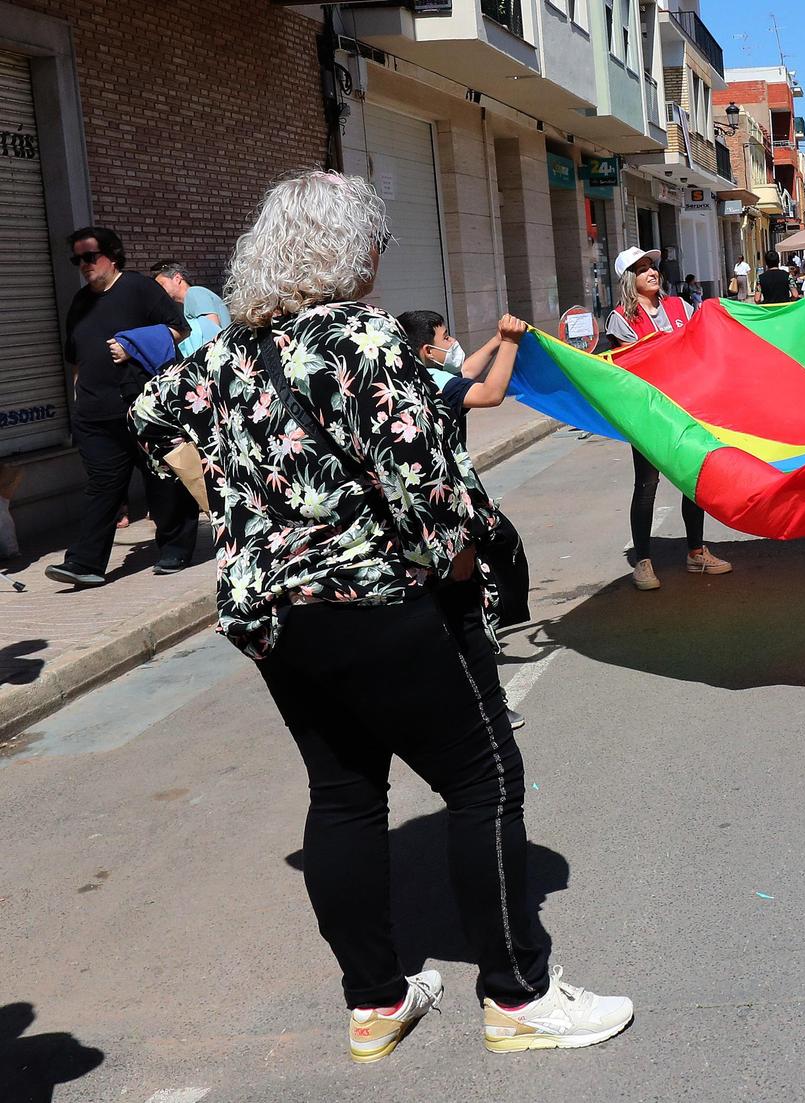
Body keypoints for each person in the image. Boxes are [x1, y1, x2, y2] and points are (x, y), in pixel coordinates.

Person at [129, 170, 631, 1060]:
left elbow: (147, 409)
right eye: (375, 243)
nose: (376, 260)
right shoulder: (361, 338)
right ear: (344, 249)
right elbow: (430, 487)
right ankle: (518, 995)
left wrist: (230, 507)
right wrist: (468, 583)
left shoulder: (222, 353)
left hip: (276, 617)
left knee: (344, 795)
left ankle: (375, 1001)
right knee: (487, 784)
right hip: (383, 603)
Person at [397, 308, 532, 734]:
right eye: (445, 336)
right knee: (473, 596)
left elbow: (465, 370)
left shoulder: (409, 377)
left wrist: (494, 340)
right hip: (453, 505)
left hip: (429, 505)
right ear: (425, 350)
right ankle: (486, 704)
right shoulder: (433, 383)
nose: (452, 341)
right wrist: (510, 343)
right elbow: (490, 392)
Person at [44, 225, 198, 588]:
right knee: (102, 486)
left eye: (89, 257)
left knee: (162, 480)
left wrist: (133, 345)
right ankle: (85, 562)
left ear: (112, 255)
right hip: (95, 415)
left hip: (141, 407)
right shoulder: (80, 303)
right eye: (76, 259)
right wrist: (78, 400)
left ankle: (175, 546)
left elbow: (180, 329)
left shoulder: (139, 289)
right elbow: (77, 360)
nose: (83, 265)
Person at [605, 245, 732, 586]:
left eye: (653, 266)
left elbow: (701, 338)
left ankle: (696, 553)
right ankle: (643, 562)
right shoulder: (620, 318)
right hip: (649, 413)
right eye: (642, 268)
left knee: (693, 482)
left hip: (689, 407)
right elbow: (634, 363)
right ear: (629, 278)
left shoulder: (679, 306)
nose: (652, 272)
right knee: (647, 486)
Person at [150, 260, 230, 357]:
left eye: (162, 284)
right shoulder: (191, 298)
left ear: (177, 278)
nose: (160, 290)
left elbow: (212, 330)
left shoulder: (194, 292)